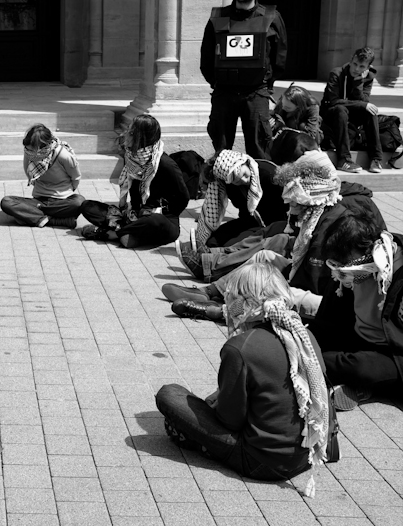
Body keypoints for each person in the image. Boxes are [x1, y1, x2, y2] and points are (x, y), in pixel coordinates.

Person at [156, 263, 334, 494]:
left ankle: (198, 441)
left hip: (262, 462)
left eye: (231, 299)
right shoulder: (304, 334)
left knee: (170, 394)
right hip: (307, 454)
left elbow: (230, 421)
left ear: (243, 303)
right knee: (220, 397)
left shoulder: (240, 347)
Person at [168, 149, 385, 319]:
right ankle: (210, 292)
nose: (290, 206)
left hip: (329, 300)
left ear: (311, 199)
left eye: (294, 201)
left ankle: (222, 311)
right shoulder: (317, 216)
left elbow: (315, 281)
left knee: (271, 291)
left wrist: (271, 281)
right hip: (312, 278)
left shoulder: (333, 226)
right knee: (265, 257)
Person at [309, 209, 403, 410]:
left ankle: (351, 380)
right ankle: (354, 384)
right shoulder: (349, 272)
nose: (343, 273)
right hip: (356, 336)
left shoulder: (397, 270)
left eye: (347, 265)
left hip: (392, 353)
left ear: (370, 250)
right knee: (306, 333)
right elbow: (328, 319)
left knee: (359, 368)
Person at [200, 0, 288, 160]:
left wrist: (266, 82)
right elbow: (206, 57)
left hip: (255, 92)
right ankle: (222, 180)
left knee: (259, 149)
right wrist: (217, 82)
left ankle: (259, 180)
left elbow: (280, 56)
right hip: (224, 92)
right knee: (222, 152)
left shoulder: (271, 17)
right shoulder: (219, 17)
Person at [82, 115, 188, 248]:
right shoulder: (131, 157)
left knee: (153, 220)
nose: (125, 134)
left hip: (160, 221)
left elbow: (183, 198)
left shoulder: (165, 164)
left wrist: (159, 211)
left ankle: (113, 233)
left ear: (141, 138)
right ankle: (127, 233)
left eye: (131, 133)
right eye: (128, 130)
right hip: (133, 216)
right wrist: (134, 212)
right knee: (87, 206)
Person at [193, 149, 286, 249]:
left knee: (231, 247)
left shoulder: (269, 175)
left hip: (277, 224)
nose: (243, 180)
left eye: (243, 174)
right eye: (236, 181)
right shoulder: (230, 184)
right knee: (212, 242)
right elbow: (244, 211)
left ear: (245, 163)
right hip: (251, 221)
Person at [0, 124, 84, 229]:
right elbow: (29, 173)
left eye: (32, 150)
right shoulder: (28, 152)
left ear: (42, 147)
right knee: (6, 202)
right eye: (28, 150)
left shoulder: (63, 155)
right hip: (39, 202)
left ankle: (32, 216)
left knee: (79, 202)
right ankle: (55, 220)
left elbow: (76, 178)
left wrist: (62, 193)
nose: (29, 153)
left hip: (62, 201)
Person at [320, 47, 382, 174]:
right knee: (341, 109)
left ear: (368, 67)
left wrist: (359, 82)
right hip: (332, 113)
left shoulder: (368, 77)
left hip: (351, 115)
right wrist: (361, 104)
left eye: (361, 66)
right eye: (355, 64)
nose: (356, 69)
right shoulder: (336, 73)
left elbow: (364, 100)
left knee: (370, 112)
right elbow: (334, 101)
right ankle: (344, 160)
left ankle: (375, 158)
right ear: (351, 60)